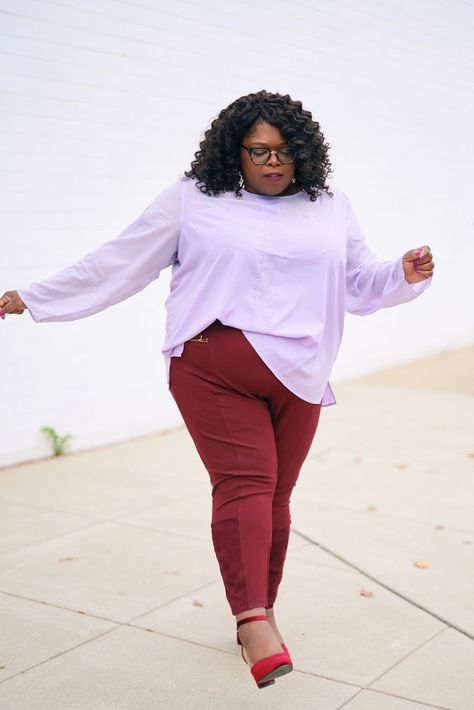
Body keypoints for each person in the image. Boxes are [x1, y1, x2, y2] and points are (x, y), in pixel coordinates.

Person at [0, 89, 435, 689]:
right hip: (213, 366)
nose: (273, 163)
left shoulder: (329, 206)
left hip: (301, 373)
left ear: (304, 153)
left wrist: (401, 275)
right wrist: (36, 297)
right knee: (247, 483)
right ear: (235, 150)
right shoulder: (194, 200)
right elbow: (121, 259)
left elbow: (357, 283)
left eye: (285, 151)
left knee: (277, 495)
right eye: (259, 151)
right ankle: (252, 617)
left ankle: (262, 605)